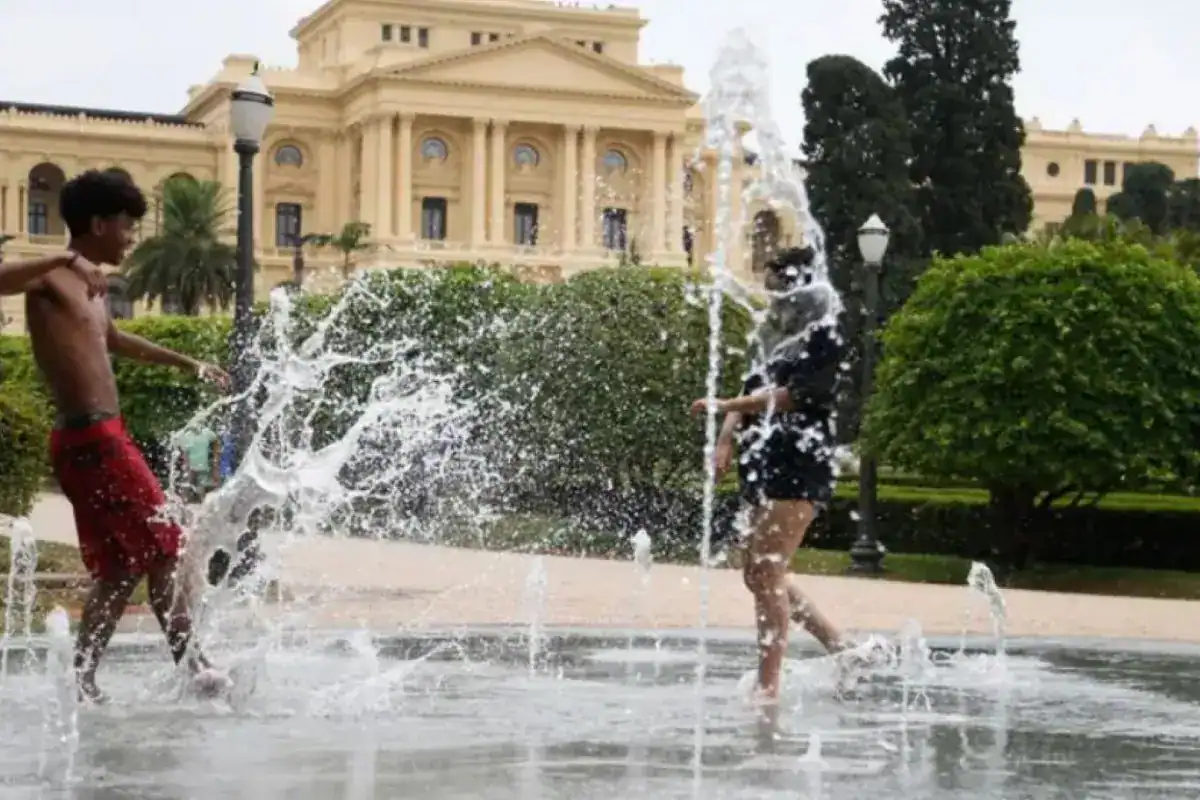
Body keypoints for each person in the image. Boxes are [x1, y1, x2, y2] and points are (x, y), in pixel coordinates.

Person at [0, 169, 231, 703]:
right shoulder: (53, 277)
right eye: (126, 226)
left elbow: (116, 339)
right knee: (165, 545)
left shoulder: (94, 289)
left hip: (96, 437)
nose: (130, 239)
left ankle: (82, 684)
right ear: (99, 224)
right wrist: (64, 258)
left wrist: (187, 362)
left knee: (122, 565)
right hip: (94, 439)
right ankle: (195, 667)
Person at [690, 246, 850, 702]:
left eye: (779, 286)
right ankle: (842, 649)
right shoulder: (778, 336)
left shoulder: (826, 336)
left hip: (800, 467)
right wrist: (725, 438)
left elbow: (791, 396)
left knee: (767, 572)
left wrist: (727, 405)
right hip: (765, 463)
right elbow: (751, 389)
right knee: (758, 574)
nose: (773, 296)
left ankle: (768, 686)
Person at [176, 425, 222, 504]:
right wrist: (187, 464)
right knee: (189, 485)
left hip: (206, 465)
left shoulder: (207, 433)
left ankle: (210, 503)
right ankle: (186, 502)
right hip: (193, 466)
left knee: (209, 485)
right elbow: (184, 452)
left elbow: (216, 444)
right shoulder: (187, 436)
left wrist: (215, 461)